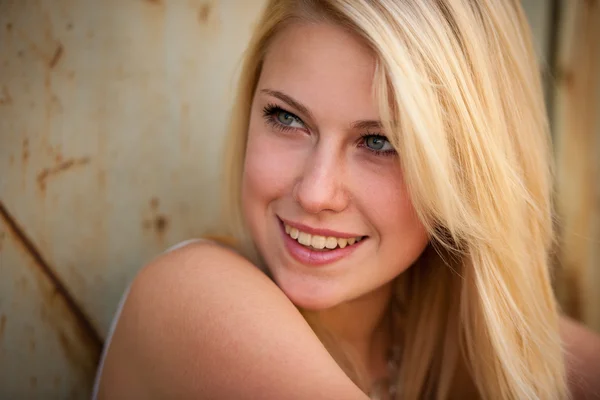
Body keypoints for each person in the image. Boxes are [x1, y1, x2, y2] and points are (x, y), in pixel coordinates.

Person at [93, 0, 600, 398]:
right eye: (287, 119)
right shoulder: (194, 296)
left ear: (468, 174)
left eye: (380, 143)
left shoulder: (462, 333)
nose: (315, 193)